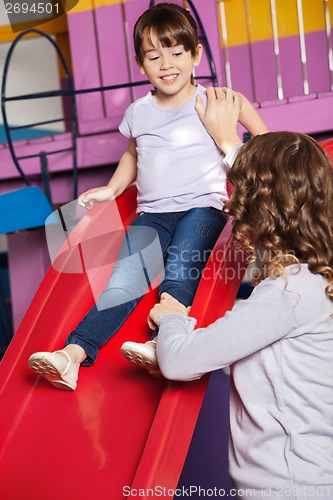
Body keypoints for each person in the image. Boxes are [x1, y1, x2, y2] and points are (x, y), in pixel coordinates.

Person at [28, 2, 268, 390]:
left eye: (176, 53)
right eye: (155, 56)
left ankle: (163, 344)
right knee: (121, 285)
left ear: (195, 55)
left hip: (203, 208)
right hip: (152, 214)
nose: (167, 64)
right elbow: (132, 155)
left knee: (178, 271)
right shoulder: (139, 112)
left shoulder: (221, 101)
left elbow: (267, 144)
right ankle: (71, 355)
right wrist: (113, 188)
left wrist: (249, 190)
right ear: (141, 65)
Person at [149, 92, 333, 497]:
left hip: (291, 488)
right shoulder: (313, 279)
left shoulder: (289, 292)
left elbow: (179, 361)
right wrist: (229, 142)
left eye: (243, 201)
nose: (235, 208)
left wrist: (173, 316)